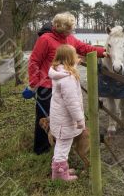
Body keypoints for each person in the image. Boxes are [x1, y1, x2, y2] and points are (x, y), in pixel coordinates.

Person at [28, 12, 107, 155]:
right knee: (45, 117)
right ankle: (41, 149)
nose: (70, 32)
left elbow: (84, 48)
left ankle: (60, 148)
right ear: (59, 27)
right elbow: (34, 61)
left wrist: (103, 51)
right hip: (47, 86)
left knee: (64, 118)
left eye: (71, 29)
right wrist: (34, 83)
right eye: (68, 29)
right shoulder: (45, 39)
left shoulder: (70, 38)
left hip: (66, 86)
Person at [48, 44, 84, 181]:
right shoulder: (67, 79)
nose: (77, 57)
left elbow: (69, 71)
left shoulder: (60, 72)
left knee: (61, 145)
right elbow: (72, 102)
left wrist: (75, 65)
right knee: (63, 147)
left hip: (60, 119)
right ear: (69, 58)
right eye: (75, 55)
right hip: (66, 121)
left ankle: (60, 169)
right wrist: (79, 120)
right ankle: (59, 175)